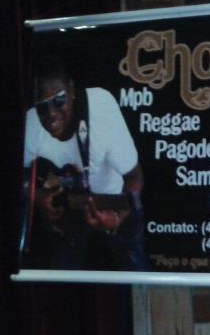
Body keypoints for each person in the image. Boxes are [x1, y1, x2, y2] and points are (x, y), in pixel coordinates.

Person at [22, 55, 146, 270]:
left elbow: (134, 178)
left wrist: (116, 220)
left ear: (71, 90)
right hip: (70, 207)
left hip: (114, 201)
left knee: (134, 269)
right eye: (42, 107)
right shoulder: (32, 123)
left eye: (58, 100)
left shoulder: (101, 110)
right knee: (62, 275)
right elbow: (13, 176)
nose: (51, 114)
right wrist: (37, 195)